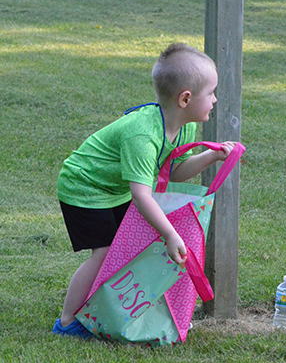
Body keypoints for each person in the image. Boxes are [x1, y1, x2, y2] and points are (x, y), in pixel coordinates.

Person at [53, 42, 235, 338]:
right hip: (84, 186)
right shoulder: (143, 134)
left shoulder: (182, 125)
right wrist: (170, 234)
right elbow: (141, 195)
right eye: (211, 93)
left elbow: (173, 170)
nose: (214, 100)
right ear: (185, 98)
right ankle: (67, 320)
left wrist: (211, 156)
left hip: (115, 187)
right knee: (105, 252)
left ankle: (105, 309)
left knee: (125, 250)